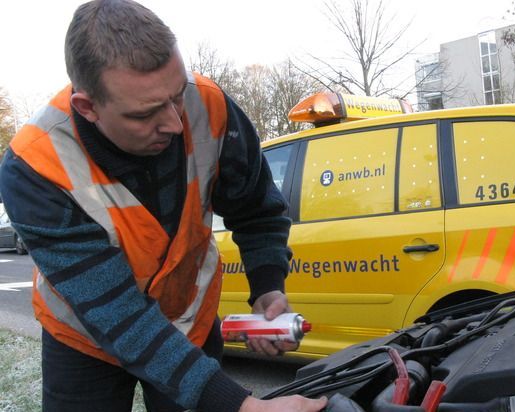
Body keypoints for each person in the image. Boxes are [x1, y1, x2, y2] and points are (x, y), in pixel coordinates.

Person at [0, 0, 327, 411]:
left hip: (188, 319)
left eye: (177, 94)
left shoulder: (209, 105)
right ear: (88, 108)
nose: (175, 122)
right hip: (84, 338)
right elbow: (117, 314)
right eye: (147, 113)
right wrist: (244, 407)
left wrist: (267, 287)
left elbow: (258, 209)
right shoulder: (34, 165)